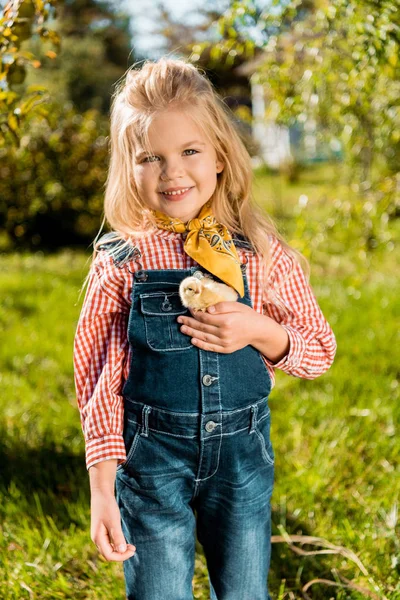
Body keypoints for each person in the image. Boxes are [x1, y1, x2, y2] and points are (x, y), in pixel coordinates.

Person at [73, 57, 337, 600]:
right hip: (152, 466)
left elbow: (319, 351)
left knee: (243, 593)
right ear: (129, 168)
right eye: (151, 158)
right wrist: (102, 486)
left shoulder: (261, 255)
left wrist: (260, 329)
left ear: (219, 156)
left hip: (241, 464)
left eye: (189, 151)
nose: (172, 173)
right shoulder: (123, 260)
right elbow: (99, 377)